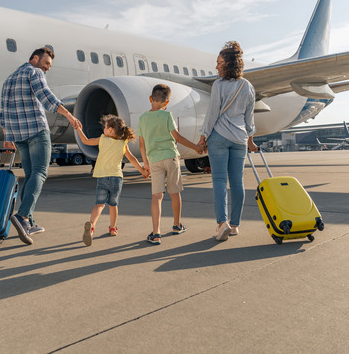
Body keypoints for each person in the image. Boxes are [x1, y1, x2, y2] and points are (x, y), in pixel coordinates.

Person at [0, 46, 80, 245]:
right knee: (40, 173)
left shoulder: (9, 79)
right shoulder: (33, 72)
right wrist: (69, 115)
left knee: (30, 175)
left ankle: (30, 222)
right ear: (35, 58)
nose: (47, 68)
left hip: (19, 135)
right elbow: (46, 97)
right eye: (46, 63)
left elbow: (3, 112)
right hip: (36, 130)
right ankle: (23, 216)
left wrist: (7, 136)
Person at [198, 41, 258, 242]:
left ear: (228, 64)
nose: (216, 66)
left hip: (220, 138)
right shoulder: (248, 86)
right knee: (237, 183)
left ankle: (221, 223)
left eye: (219, 62)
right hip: (240, 139)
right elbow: (250, 118)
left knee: (220, 181)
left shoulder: (218, 85)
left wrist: (203, 135)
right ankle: (235, 225)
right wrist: (250, 140)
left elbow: (212, 113)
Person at [138, 84, 204, 245]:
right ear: (166, 102)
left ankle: (156, 233)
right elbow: (178, 137)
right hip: (170, 157)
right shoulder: (168, 116)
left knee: (156, 196)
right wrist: (196, 147)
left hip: (154, 160)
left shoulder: (142, 118)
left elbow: (142, 143)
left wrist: (145, 163)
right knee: (174, 192)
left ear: (150, 99)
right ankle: (176, 225)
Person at [75, 115, 148, 246]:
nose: (104, 128)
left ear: (111, 130)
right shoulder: (123, 143)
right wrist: (142, 170)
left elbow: (85, 141)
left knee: (99, 205)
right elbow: (132, 159)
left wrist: (78, 129)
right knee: (113, 205)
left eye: (105, 126)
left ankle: (91, 226)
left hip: (102, 177)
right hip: (116, 178)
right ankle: (113, 228)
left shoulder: (102, 139)